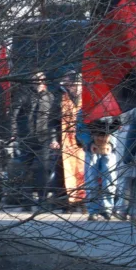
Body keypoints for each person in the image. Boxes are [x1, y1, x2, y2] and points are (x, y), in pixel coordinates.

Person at [11, 72, 55, 209]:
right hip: (26, 137)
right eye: (36, 79)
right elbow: (14, 114)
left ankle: (42, 199)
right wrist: (13, 133)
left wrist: (54, 138)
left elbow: (53, 119)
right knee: (25, 169)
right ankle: (26, 200)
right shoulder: (23, 94)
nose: (39, 81)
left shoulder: (49, 97)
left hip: (43, 138)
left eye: (41, 79)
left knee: (42, 168)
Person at [49, 73, 85, 212]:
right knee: (64, 172)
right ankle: (65, 203)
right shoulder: (59, 99)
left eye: (77, 85)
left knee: (82, 171)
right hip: (63, 140)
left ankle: (81, 201)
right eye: (72, 85)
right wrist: (53, 138)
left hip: (81, 141)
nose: (74, 88)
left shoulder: (86, 99)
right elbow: (52, 121)